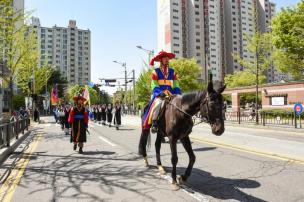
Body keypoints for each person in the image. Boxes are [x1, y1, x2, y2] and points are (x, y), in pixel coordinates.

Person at [142, 51, 181, 133]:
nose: (167, 59)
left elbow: (176, 84)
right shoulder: (155, 72)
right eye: (165, 58)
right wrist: (160, 93)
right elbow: (154, 85)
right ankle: (154, 123)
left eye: (168, 58)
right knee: (158, 103)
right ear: (161, 60)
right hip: (159, 94)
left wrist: (177, 93)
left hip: (171, 94)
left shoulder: (173, 72)